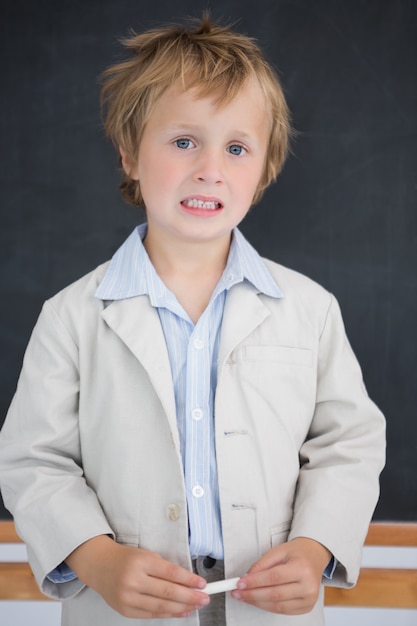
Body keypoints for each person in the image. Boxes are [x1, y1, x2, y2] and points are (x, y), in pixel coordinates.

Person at [0, 15, 385, 626]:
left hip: (267, 606)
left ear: (263, 169)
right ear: (129, 154)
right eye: (183, 141)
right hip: (123, 609)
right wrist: (98, 561)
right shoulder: (72, 316)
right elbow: (34, 460)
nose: (211, 168)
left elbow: (349, 445)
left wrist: (315, 549)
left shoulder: (309, 310)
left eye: (237, 148)